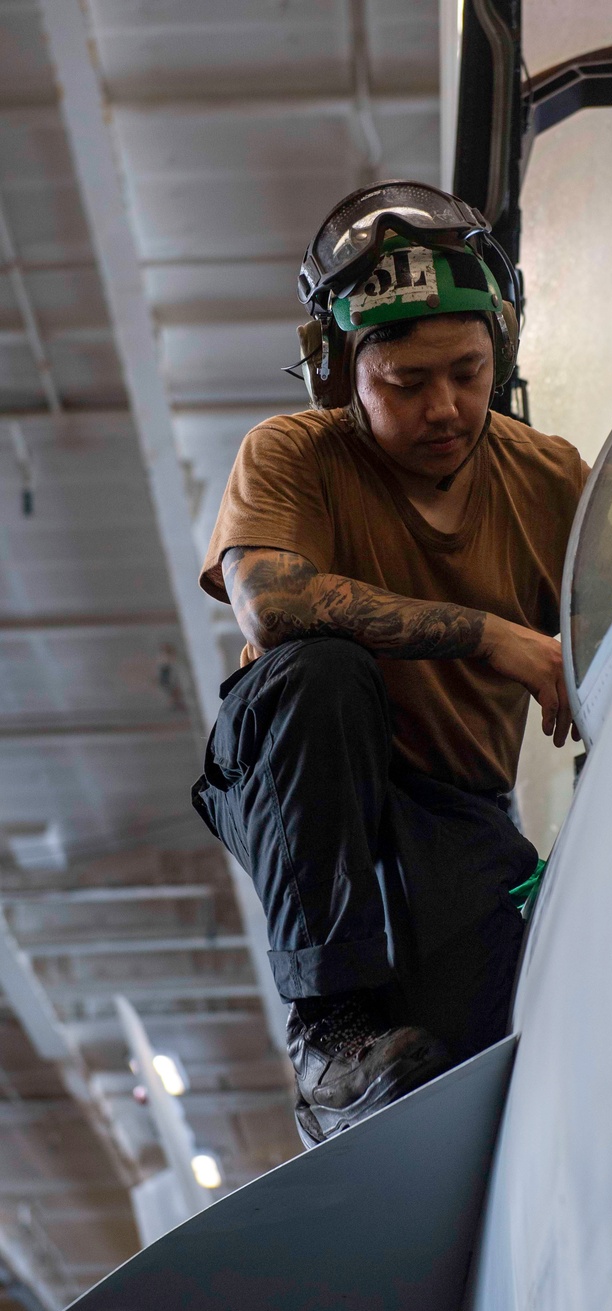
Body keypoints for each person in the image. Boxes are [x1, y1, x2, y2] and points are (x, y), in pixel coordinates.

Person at [192, 182, 587, 1146]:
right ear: (338, 374)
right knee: (318, 671)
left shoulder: (552, 479)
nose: (446, 407)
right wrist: (490, 634)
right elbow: (273, 606)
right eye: (406, 383)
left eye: (469, 371)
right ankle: (326, 1035)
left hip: (458, 810)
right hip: (306, 774)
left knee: (489, 1062)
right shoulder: (291, 454)